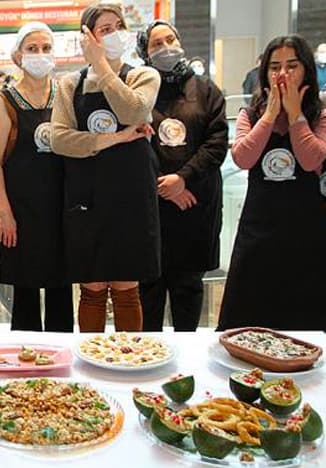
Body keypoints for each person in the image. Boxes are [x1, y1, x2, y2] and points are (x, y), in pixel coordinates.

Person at [51, 3, 161, 332]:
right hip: (87, 197)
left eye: (118, 26)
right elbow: (58, 139)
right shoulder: (70, 84)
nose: (114, 34)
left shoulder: (143, 75)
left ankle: (130, 362)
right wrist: (115, 139)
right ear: (88, 37)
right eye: (104, 29)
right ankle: (91, 365)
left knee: (127, 288)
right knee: (92, 289)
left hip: (130, 195)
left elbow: (133, 110)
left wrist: (102, 65)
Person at [218, 35, 326, 331]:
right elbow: (242, 157)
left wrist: (294, 115)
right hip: (259, 229)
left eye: (292, 66)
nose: (283, 74)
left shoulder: (320, 115)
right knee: (248, 313)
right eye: (275, 67)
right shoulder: (249, 114)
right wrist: (268, 115)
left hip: (306, 231)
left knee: (303, 317)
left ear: (306, 70)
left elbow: (311, 160)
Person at [135, 20, 228, 331]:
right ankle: (146, 363)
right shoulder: (140, 94)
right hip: (153, 206)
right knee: (149, 290)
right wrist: (164, 184)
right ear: (144, 54)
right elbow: (134, 145)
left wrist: (184, 179)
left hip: (195, 205)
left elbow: (216, 144)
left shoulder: (207, 91)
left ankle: (185, 368)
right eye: (156, 44)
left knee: (188, 289)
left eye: (170, 39)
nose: (165, 48)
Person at [0, 22, 72, 332]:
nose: (40, 54)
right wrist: (4, 213)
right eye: (32, 49)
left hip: (61, 208)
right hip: (21, 210)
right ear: (18, 56)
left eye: (46, 48)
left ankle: (61, 366)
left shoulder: (66, 93)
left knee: (62, 290)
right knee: (26, 294)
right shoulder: (6, 101)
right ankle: (26, 368)